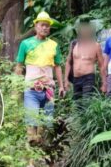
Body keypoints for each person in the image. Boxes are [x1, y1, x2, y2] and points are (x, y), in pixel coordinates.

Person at [15, 11, 65, 145]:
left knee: (45, 123)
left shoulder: (54, 45)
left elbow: (58, 67)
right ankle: (31, 157)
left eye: (47, 26)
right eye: (42, 25)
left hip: (48, 89)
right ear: (36, 26)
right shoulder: (25, 44)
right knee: (31, 123)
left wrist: (61, 86)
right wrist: (17, 86)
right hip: (31, 89)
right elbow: (19, 66)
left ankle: (42, 155)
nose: (45, 28)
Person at [64, 24, 107, 100]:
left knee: (86, 101)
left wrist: (104, 83)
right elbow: (68, 62)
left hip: (88, 78)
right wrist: (66, 79)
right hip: (76, 78)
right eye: (83, 32)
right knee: (77, 104)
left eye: (87, 32)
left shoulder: (95, 46)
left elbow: (101, 65)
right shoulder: (74, 44)